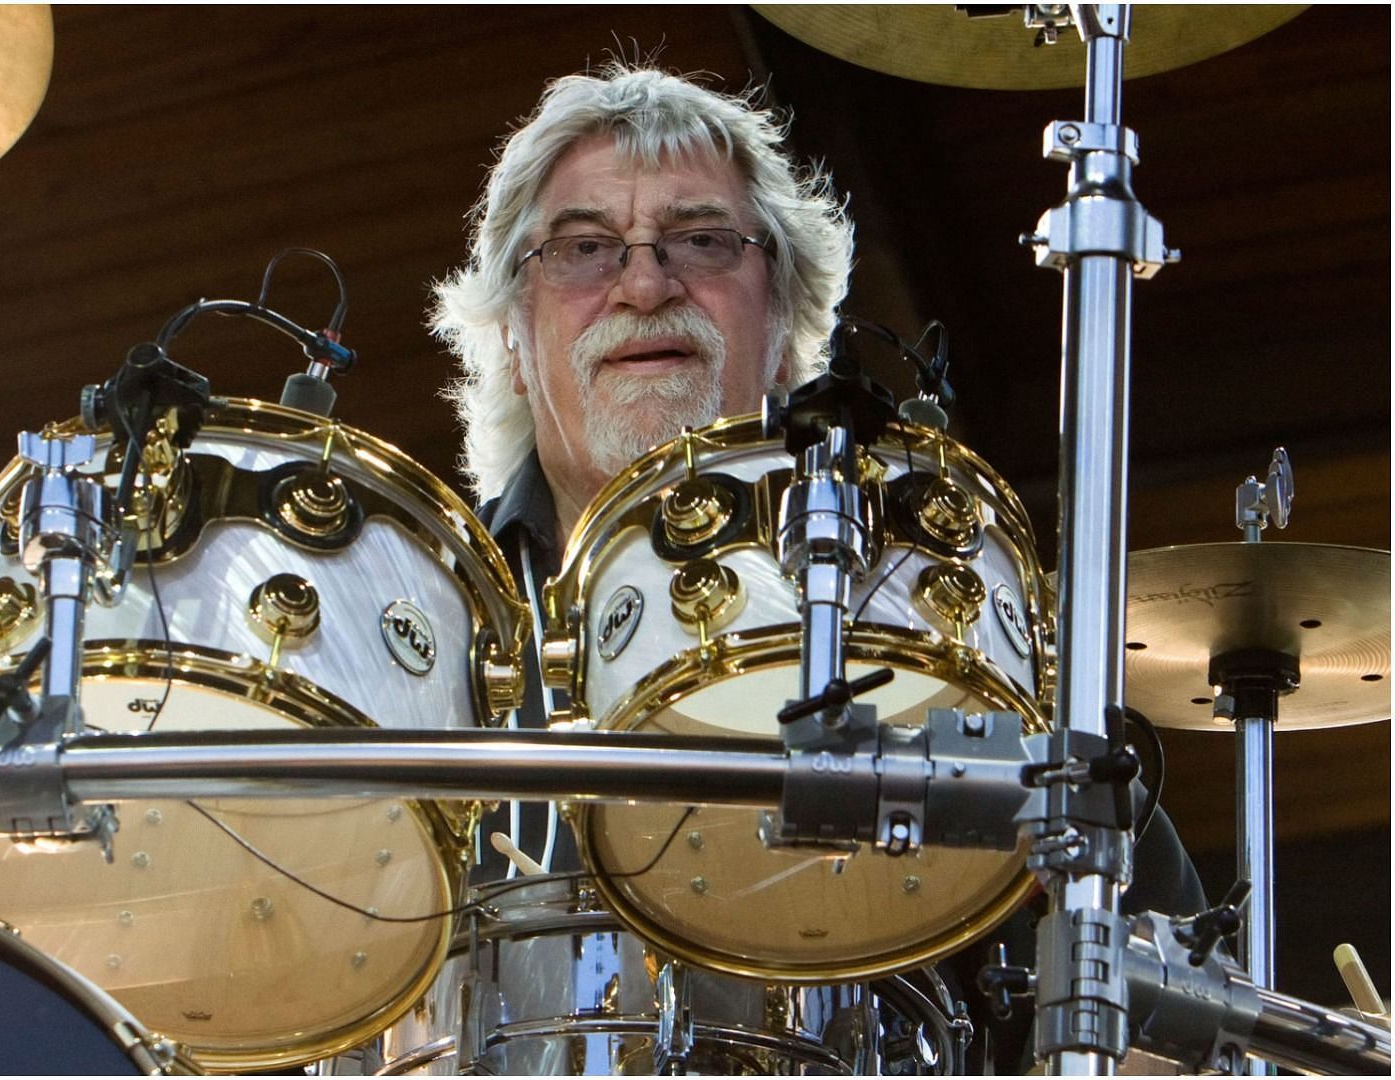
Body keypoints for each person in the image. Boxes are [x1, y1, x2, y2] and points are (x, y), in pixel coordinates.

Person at [429, 62, 1206, 1069]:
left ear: (789, 331)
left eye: (702, 241)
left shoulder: (923, 610)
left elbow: (1163, 1008)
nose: (644, 282)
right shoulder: (425, 618)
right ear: (510, 338)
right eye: (583, 250)